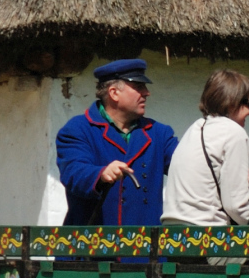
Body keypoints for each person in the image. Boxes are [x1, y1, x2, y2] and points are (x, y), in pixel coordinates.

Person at [55, 59, 179, 226]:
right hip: (92, 246)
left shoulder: (160, 134)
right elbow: (73, 172)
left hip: (145, 246)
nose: (146, 92)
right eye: (138, 87)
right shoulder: (77, 129)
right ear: (114, 93)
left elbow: (187, 166)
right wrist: (101, 173)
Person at [163, 69, 249, 226]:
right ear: (231, 102)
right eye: (247, 103)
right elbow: (235, 206)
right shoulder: (234, 133)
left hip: (171, 232)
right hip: (206, 235)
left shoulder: (196, 128)